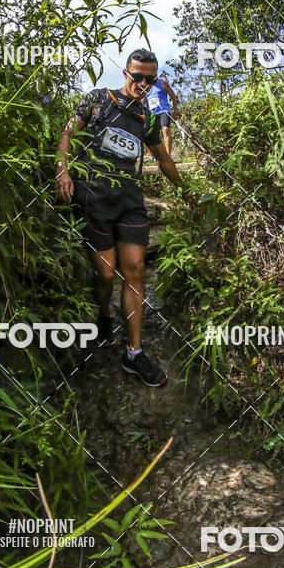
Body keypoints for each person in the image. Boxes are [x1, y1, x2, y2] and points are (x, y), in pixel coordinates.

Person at [55, 48, 186, 387]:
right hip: (93, 194)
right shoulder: (98, 99)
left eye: (150, 78)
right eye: (137, 76)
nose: (143, 83)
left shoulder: (148, 117)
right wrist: (62, 172)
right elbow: (68, 134)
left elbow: (164, 160)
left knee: (136, 270)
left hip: (129, 199)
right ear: (126, 72)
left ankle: (134, 353)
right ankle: (102, 318)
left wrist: (188, 190)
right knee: (104, 272)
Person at [143, 71, 179, 157]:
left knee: (165, 130)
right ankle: (154, 155)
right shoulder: (146, 87)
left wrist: (175, 111)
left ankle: (168, 155)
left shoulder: (162, 83)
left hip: (163, 111)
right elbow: (143, 101)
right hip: (152, 113)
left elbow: (173, 96)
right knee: (151, 135)